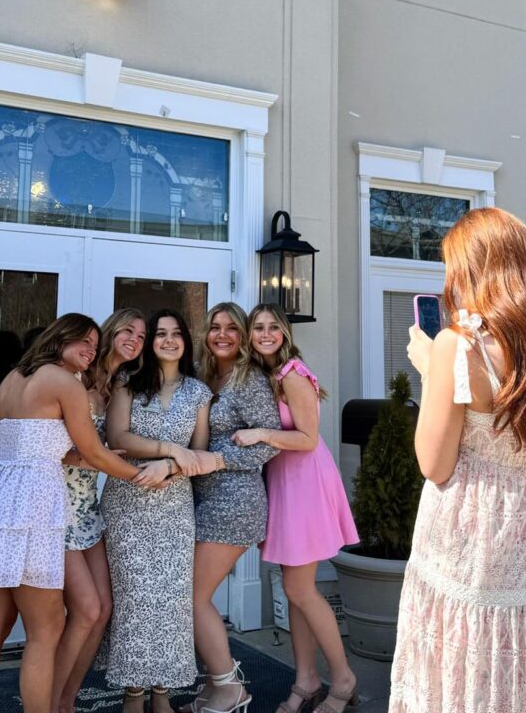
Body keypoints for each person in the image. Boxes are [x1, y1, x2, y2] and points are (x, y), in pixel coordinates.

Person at [388, 207, 526, 713]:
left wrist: (429, 371)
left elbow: (433, 464)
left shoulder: (455, 347)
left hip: (470, 548)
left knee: (465, 679)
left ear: (472, 269)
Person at [0, 314, 166, 713]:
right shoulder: (65, 382)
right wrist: (143, 477)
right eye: (83, 342)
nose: (90, 350)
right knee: (45, 631)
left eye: (93, 343)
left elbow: (36, 442)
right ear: (59, 338)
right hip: (36, 505)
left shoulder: (12, 378)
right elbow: (94, 452)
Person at [235, 305, 359, 713]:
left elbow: (307, 438)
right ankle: (305, 679)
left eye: (273, 327)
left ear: (284, 333)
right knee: (293, 590)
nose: (266, 333)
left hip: (304, 481)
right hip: (285, 481)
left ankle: (342, 680)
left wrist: (258, 434)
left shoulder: (292, 373)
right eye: (259, 327)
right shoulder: (266, 376)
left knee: (300, 588)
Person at [101, 309, 220, 713]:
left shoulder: (199, 393)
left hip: (174, 507)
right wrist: (169, 448)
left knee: (170, 600)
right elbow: (117, 437)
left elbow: (201, 453)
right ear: (150, 342)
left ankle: (163, 692)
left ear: (186, 341)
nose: (168, 340)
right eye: (160, 334)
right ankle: (133, 693)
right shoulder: (127, 383)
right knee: (134, 598)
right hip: (127, 502)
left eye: (176, 334)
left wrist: (171, 465)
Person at [182, 302, 281, 713]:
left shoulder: (249, 379)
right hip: (205, 498)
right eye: (214, 327)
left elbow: (272, 442)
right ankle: (212, 687)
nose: (221, 334)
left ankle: (228, 687)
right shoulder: (207, 378)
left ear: (242, 336)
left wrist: (219, 460)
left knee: (192, 595)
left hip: (236, 500)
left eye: (231, 328)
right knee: (193, 594)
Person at [50, 309, 147, 713]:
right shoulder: (74, 378)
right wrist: (104, 460)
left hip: (88, 506)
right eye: (128, 330)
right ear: (110, 332)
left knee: (103, 609)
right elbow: (48, 445)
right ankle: (47, 703)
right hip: (58, 506)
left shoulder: (115, 386)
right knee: (86, 608)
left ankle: (67, 701)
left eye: (142, 336)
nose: (135, 339)